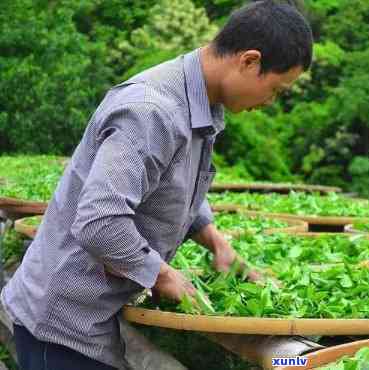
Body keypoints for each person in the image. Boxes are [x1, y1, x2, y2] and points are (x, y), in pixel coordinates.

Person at [1, 1, 313, 368]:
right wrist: (161, 274)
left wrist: (215, 242)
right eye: (276, 89)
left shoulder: (201, 101)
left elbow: (173, 184)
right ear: (248, 61)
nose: (270, 102)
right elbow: (100, 221)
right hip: (63, 319)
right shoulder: (152, 111)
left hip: (95, 312)